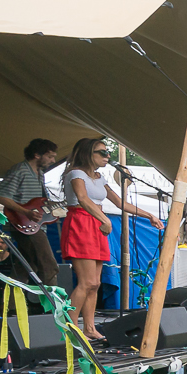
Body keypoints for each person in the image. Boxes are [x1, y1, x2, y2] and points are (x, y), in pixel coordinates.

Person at [58, 137, 158, 343]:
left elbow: (120, 203)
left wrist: (149, 215)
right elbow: (83, 199)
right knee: (86, 282)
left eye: (107, 153)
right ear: (88, 154)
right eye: (101, 152)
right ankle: (70, 326)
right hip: (81, 222)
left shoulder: (100, 177)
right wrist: (104, 219)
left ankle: (90, 328)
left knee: (95, 283)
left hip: (97, 224)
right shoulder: (75, 173)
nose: (107, 156)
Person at [0, 137, 63, 288]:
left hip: (35, 225)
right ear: (37, 155)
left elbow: (38, 202)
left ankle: (11, 307)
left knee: (26, 266)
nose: (53, 160)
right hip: (24, 224)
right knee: (49, 265)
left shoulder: (40, 173)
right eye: (50, 156)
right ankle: (53, 306)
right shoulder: (20, 170)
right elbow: (1, 195)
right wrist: (26, 212)